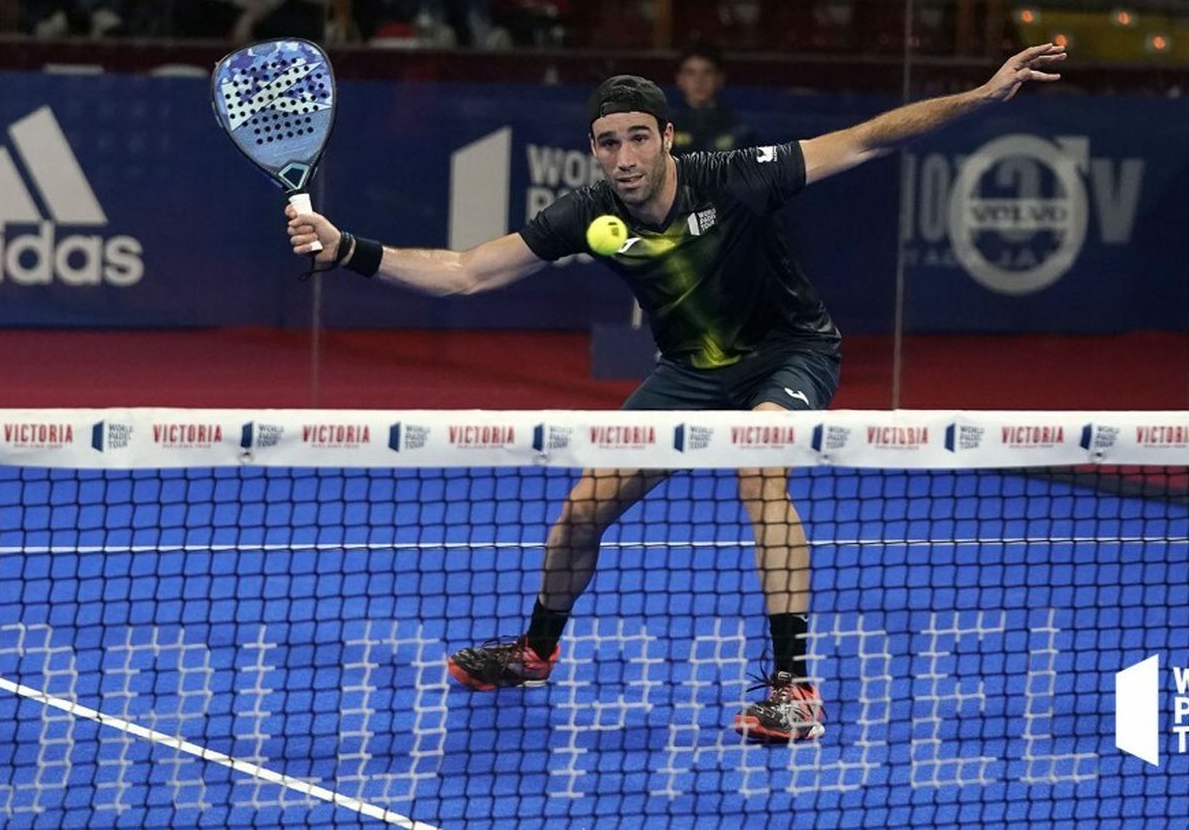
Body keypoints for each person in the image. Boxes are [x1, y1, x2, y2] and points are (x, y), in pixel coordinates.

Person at [284, 42, 1067, 744]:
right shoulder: (589, 215)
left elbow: (866, 138)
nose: (623, 157)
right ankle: (534, 651)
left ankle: (795, 687)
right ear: (593, 150)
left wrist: (982, 95)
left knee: (762, 472)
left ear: (666, 138)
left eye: (636, 138)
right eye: (606, 142)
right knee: (582, 510)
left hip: (786, 356)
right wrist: (347, 248)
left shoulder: (741, 179)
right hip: (688, 374)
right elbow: (465, 273)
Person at [670, 43, 752, 156]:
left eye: (707, 72)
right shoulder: (665, 130)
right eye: (691, 73)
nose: (699, 81)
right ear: (679, 79)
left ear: (720, 78)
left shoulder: (739, 130)